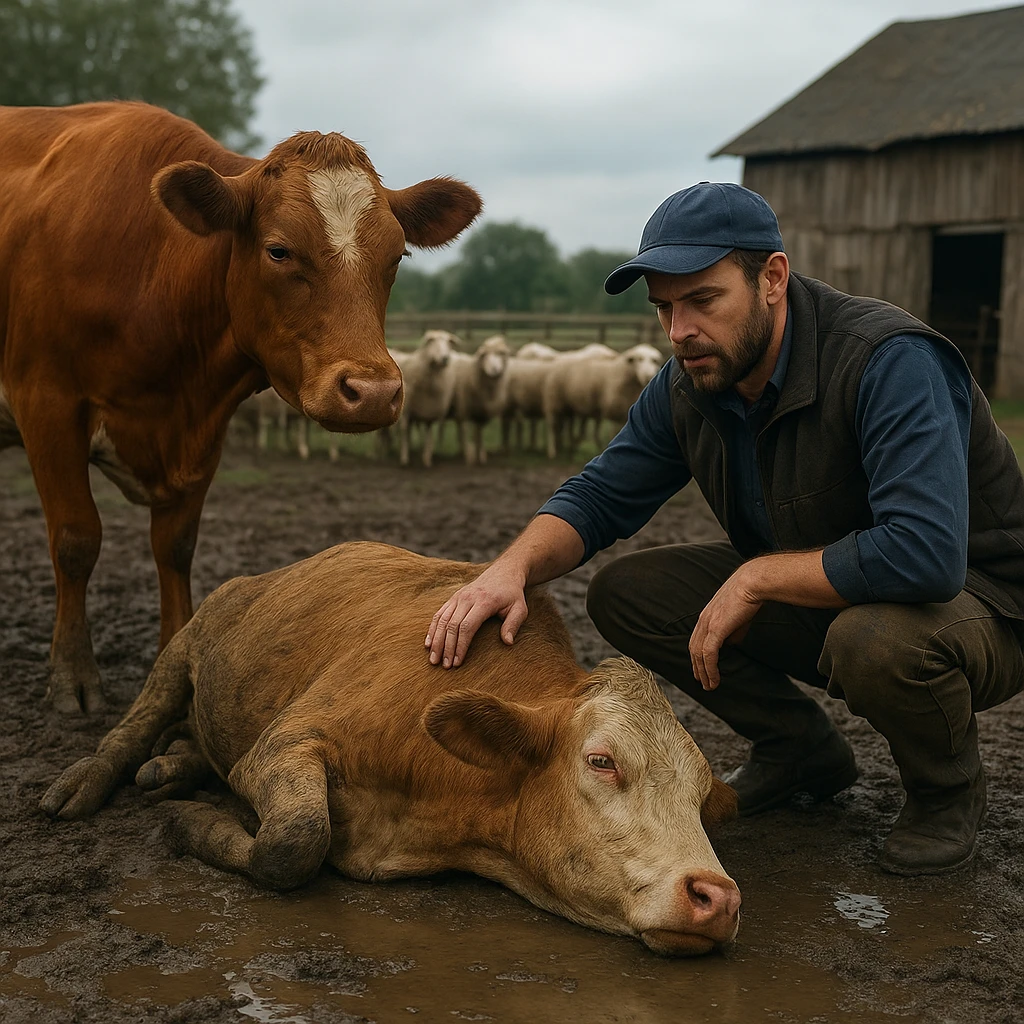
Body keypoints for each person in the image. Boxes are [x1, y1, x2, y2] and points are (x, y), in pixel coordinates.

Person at [424, 181, 1024, 876]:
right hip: (834, 592)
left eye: (703, 300)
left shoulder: (890, 361)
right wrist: (509, 570)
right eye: (665, 308)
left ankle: (946, 792)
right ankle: (799, 748)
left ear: (772, 278)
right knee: (628, 591)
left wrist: (759, 574)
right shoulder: (692, 379)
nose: (680, 330)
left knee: (876, 639)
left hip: (981, 609)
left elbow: (924, 555)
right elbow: (599, 495)